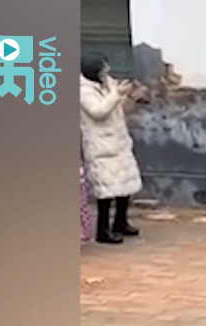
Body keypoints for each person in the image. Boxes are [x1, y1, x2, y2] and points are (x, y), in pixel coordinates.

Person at [80, 52, 148, 244]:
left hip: (118, 141)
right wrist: (117, 93)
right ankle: (103, 231)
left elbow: (117, 110)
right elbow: (99, 111)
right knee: (106, 191)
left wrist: (131, 97)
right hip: (101, 144)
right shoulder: (83, 91)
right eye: (103, 68)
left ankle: (120, 222)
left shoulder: (108, 83)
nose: (107, 71)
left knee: (125, 185)